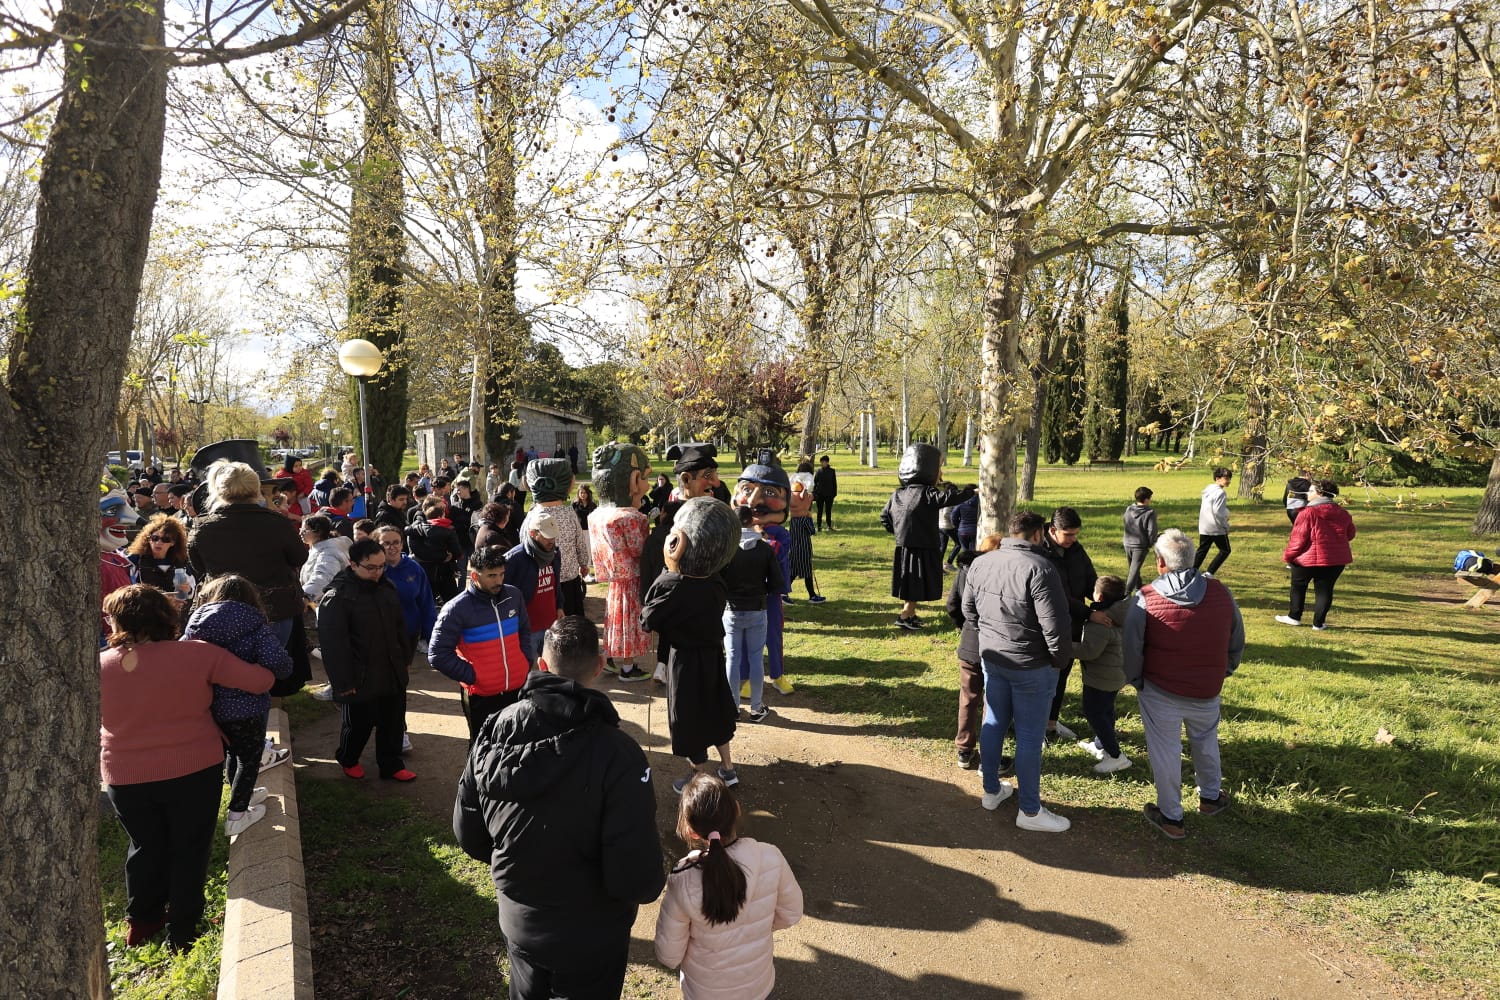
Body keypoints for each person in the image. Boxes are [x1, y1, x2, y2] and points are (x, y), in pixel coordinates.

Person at [453, 615, 665, 1000]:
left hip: (522, 921)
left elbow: (469, 833)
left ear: (541, 665)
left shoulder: (493, 728)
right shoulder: (619, 754)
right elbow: (635, 876)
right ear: (600, 667)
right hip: (593, 934)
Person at [100, 585, 275, 949]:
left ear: (116, 621)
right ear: (167, 616)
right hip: (193, 766)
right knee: (189, 848)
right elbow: (262, 680)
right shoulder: (197, 655)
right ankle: (182, 931)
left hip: (124, 774)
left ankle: (142, 922)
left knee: (144, 846)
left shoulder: (99, 665)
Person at [1123, 528, 1245, 840]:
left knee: (1166, 751)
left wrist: (1135, 679)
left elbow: (1132, 647)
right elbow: (1236, 638)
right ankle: (1210, 797)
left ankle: (1171, 816)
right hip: (1206, 687)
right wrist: (1225, 669)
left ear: (1160, 562)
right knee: (1206, 740)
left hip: (1160, 689)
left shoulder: (1146, 598)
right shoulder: (1222, 592)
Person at [962, 510, 1072, 832]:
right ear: (1039, 534)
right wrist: (1059, 660)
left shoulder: (982, 562)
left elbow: (969, 611)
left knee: (994, 721)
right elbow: (1055, 627)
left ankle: (991, 791)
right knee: (1027, 735)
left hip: (994, 658)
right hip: (1030, 665)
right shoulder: (1041, 568)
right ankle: (1030, 810)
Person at [655, 773, 804, 1000]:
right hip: (758, 987)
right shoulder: (771, 857)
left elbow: (669, 956)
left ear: (692, 831)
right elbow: (791, 913)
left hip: (705, 992)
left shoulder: (684, 878)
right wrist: (755, 928)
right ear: (737, 809)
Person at [641, 498, 742, 793]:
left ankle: (697, 775)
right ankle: (728, 768)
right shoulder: (715, 582)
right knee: (715, 707)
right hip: (712, 655)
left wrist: (670, 569)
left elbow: (649, 615)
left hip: (684, 659)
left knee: (687, 716)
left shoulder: (676, 586)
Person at [180, 575, 294, 835]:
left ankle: (242, 796)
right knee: (249, 758)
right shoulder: (254, 624)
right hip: (247, 708)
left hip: (210, 706)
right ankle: (238, 814)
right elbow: (280, 663)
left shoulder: (194, 625)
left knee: (231, 754)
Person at [317, 538, 417, 781]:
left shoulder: (387, 587)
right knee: (359, 725)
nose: (377, 572)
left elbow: (399, 628)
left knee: (393, 722)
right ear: (353, 564)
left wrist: (405, 657)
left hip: (391, 669)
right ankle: (349, 758)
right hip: (359, 676)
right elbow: (334, 645)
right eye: (371, 568)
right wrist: (343, 682)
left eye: (382, 566)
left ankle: (391, 764)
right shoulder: (338, 597)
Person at [188, 460, 308, 647]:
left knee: (228, 673)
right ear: (256, 488)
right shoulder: (277, 522)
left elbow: (198, 566)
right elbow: (300, 557)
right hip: (275, 609)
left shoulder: (202, 526)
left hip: (223, 609)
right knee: (271, 670)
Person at [429, 545, 535, 741]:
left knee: (516, 741)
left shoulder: (514, 596)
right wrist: (474, 676)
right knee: (482, 748)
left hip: (516, 688)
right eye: (492, 576)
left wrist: (525, 662)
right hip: (482, 696)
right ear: (475, 577)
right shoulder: (455, 609)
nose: (499, 581)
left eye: (502, 574)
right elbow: (437, 654)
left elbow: (524, 631)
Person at [881, 443, 975, 630]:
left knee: (911, 581)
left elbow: (885, 517)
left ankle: (911, 614)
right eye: (939, 468)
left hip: (905, 546)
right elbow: (949, 498)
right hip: (923, 546)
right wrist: (971, 492)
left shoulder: (898, 494)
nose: (941, 473)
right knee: (916, 581)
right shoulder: (927, 493)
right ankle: (905, 615)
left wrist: (900, 532)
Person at [587, 441, 654, 681]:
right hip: (631, 579)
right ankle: (628, 667)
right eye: (645, 478)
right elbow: (640, 550)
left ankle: (610, 659)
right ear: (634, 480)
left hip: (614, 580)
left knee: (614, 621)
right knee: (629, 624)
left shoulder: (596, 515)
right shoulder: (631, 517)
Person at [1041, 506, 1108, 743]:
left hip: (1073, 624)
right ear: (1053, 530)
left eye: (1076, 534)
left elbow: (1091, 579)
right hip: (1048, 625)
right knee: (1045, 677)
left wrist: (1102, 597)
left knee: (1063, 673)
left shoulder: (1076, 550)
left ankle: (1051, 722)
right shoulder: (1041, 554)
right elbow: (1056, 594)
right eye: (1068, 535)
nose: (1073, 539)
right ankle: (1034, 726)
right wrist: (1090, 614)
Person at [731, 456, 796, 695]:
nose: (754, 500)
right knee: (746, 637)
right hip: (745, 595)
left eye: (769, 492)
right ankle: (746, 677)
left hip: (770, 593)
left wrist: (761, 530)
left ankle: (777, 675)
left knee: (773, 636)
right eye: (747, 490)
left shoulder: (779, 533)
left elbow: (774, 552)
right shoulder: (734, 531)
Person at [721, 505, 784, 723]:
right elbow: (777, 583)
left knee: (732, 658)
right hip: (757, 608)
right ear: (752, 521)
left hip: (731, 610)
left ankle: (731, 707)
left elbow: (717, 580)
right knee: (756, 658)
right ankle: (757, 708)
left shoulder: (726, 549)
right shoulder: (764, 548)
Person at [946, 532, 1002, 770]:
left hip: (970, 642)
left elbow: (953, 604)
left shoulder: (965, 571)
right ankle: (991, 755)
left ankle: (964, 748)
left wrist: (964, 626)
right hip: (996, 645)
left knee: (968, 698)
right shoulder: (1002, 574)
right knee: (993, 700)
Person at [1071, 576, 1132, 774]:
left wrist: (1062, 646)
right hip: (1116, 674)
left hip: (1100, 678)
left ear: (1100, 595)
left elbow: (1089, 651)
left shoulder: (1101, 620)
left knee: (1094, 712)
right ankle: (1100, 744)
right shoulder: (1125, 611)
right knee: (1106, 711)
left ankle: (1116, 756)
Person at [1277, 480, 1356, 630]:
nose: (1308, 494)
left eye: (1311, 491)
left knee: (1298, 586)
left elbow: (1298, 539)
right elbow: (1350, 534)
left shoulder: (1307, 512)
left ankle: (1294, 616)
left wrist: (1288, 556)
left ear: (1320, 493)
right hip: (1335, 560)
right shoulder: (1343, 513)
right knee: (1325, 590)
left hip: (1306, 559)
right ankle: (1318, 624)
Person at [524, 457, 590, 617]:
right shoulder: (568, 513)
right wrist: (584, 563)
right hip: (568, 579)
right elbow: (579, 542)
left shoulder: (532, 515)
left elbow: (524, 545)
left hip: (542, 581)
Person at [505, 512, 559, 660]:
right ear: (533, 533)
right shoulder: (514, 559)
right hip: (526, 628)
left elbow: (556, 583)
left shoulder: (554, 553)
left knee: (550, 669)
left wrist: (560, 606)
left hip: (550, 624)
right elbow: (504, 595)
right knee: (525, 671)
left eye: (553, 536)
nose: (552, 540)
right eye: (547, 536)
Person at [123, 512, 195, 600]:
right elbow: (123, 588)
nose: (158, 543)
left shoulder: (180, 563)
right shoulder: (134, 560)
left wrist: (188, 590)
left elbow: (190, 592)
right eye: (154, 538)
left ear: (173, 542)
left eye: (165, 539)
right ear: (148, 539)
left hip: (171, 610)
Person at [406, 495, 464, 604]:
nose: (444, 511)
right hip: (429, 571)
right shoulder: (418, 524)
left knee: (453, 601)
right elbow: (417, 548)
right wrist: (443, 556)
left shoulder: (441, 524)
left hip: (444, 570)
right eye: (441, 508)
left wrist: (451, 554)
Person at [786, 467, 825, 603]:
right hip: (803, 549)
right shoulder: (804, 518)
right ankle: (811, 595)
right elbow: (812, 531)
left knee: (794, 571)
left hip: (793, 547)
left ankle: (809, 594)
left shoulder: (793, 519)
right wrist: (809, 516)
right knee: (805, 571)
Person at [299, 513, 352, 603]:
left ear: (318, 532)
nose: (300, 533)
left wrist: (306, 596)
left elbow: (323, 577)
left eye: (305, 530)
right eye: (301, 529)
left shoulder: (328, 552)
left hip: (332, 604)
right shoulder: (316, 548)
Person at [1194, 467, 1233, 576]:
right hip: (1216, 528)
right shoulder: (1220, 493)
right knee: (1225, 550)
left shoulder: (1208, 490)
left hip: (1204, 526)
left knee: (1202, 549)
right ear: (1217, 478)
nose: (1228, 481)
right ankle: (1209, 573)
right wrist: (1225, 526)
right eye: (1226, 478)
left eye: (1229, 478)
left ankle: (1191, 571)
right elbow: (1217, 512)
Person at [1122, 486, 1158, 594]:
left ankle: (1138, 587)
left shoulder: (1129, 509)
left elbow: (1125, 521)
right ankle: (1126, 594)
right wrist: (1151, 543)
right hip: (1140, 545)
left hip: (1127, 542)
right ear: (1146, 499)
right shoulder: (1150, 512)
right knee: (1134, 570)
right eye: (1150, 498)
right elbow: (1152, 530)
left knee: (1133, 568)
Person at [812, 453, 838, 531]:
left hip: (829, 494)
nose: (822, 463)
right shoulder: (818, 471)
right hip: (819, 495)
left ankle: (829, 526)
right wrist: (814, 493)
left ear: (827, 462)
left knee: (828, 511)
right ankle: (819, 526)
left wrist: (834, 493)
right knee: (819, 511)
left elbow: (834, 483)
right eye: (821, 462)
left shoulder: (832, 471)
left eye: (823, 462)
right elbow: (815, 482)